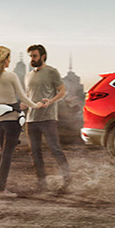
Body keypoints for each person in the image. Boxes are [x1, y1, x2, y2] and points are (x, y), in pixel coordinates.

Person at [0, 46, 44, 198]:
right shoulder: (10, 76)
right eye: (8, 58)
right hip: (12, 119)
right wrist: (35, 105)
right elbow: (23, 97)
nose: (9, 61)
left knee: (3, 151)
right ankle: (1, 189)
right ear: (3, 59)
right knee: (7, 154)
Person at [24, 44, 70, 193]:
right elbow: (27, 98)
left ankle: (67, 179)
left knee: (55, 149)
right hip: (31, 119)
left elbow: (62, 91)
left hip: (48, 118)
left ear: (43, 56)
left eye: (35, 56)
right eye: (30, 56)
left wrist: (51, 101)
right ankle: (41, 183)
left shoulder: (52, 72)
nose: (32, 58)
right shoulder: (28, 75)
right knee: (35, 152)